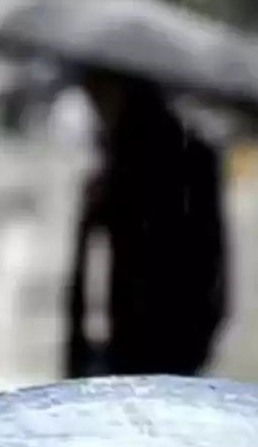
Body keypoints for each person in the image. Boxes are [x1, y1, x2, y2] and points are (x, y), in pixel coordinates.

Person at [64, 70, 229, 378]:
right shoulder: (118, 157)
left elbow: (210, 257)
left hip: (154, 340)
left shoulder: (170, 160)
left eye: (98, 93)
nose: (94, 104)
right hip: (151, 339)